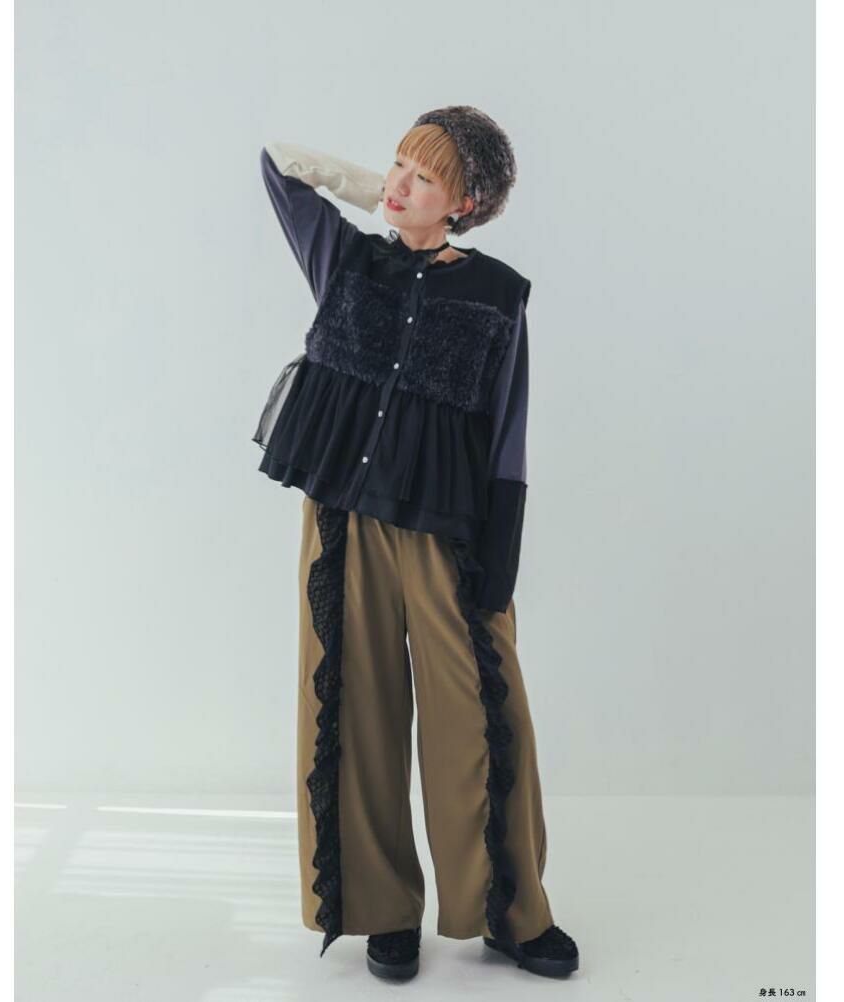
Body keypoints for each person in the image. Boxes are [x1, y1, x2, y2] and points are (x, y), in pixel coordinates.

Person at [253, 106, 580, 980]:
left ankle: (509, 911)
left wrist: (500, 559)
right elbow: (277, 165)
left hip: (447, 532)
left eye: (424, 176)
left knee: (478, 716)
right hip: (344, 522)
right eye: (397, 163)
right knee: (351, 708)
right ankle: (382, 911)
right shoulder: (346, 259)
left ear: (465, 202)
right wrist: (374, 193)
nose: (399, 182)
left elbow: (506, 431)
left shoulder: (497, 294)